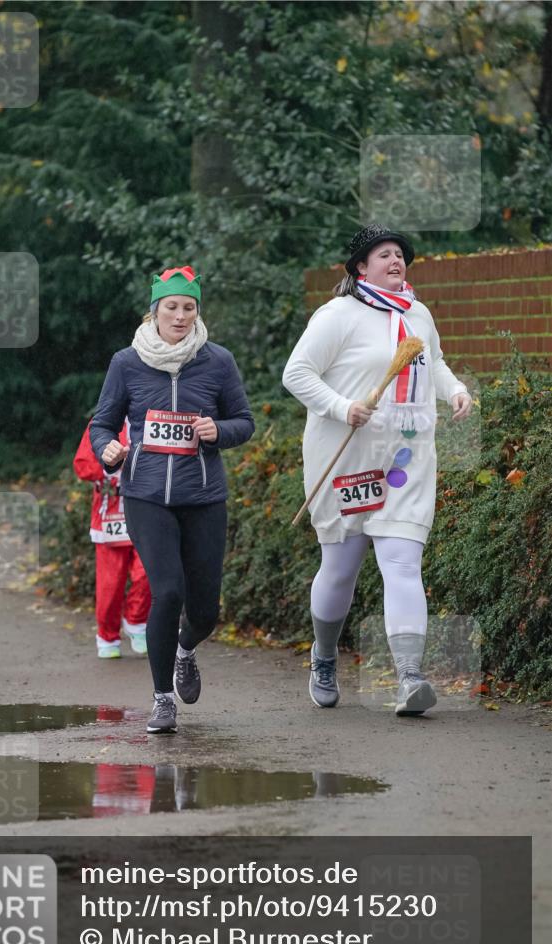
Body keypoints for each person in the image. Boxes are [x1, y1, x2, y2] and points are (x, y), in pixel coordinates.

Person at [282, 224, 473, 716]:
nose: (395, 261)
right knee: (341, 570)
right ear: (360, 268)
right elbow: (296, 372)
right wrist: (342, 406)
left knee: (403, 563)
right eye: (383, 255)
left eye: (400, 255)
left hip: (405, 459)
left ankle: (410, 677)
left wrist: (454, 390)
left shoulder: (419, 314)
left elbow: (435, 363)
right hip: (345, 458)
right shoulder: (338, 315)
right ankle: (324, 657)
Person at [90, 266, 254, 734]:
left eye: (189, 307)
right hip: (145, 495)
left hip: (203, 496)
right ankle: (162, 699)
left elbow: (244, 421)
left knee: (205, 610)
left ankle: (186, 649)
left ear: (197, 311)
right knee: (168, 591)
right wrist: (107, 449)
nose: (180, 316)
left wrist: (217, 431)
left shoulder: (218, 361)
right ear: (155, 311)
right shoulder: (126, 362)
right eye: (172, 307)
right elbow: (101, 423)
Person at [73, 419, 151, 659]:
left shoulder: (153, 418)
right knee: (110, 583)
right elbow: (82, 466)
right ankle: (107, 637)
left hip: (146, 507)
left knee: (148, 571)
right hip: (110, 512)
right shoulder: (102, 423)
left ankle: (136, 621)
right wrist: (110, 462)